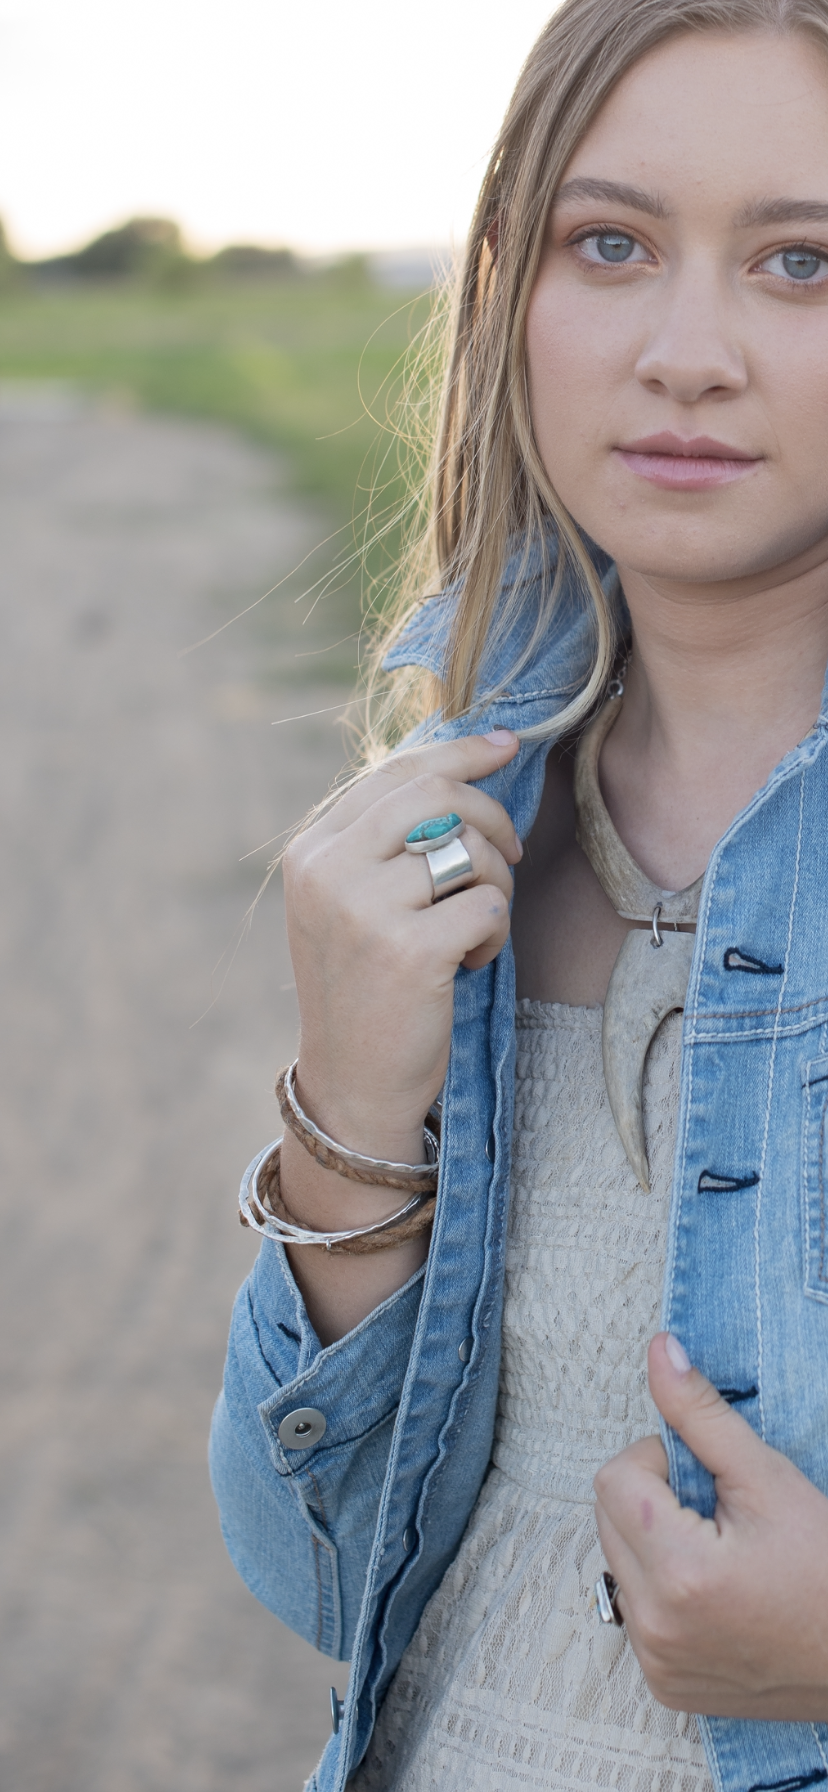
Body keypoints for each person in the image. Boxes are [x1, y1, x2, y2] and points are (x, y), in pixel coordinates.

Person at [209, 2, 828, 1787]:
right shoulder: (454, 822)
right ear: (511, 292)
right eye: (611, 243)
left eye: (801, 261)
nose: (687, 352)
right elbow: (321, 1569)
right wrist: (348, 1107)